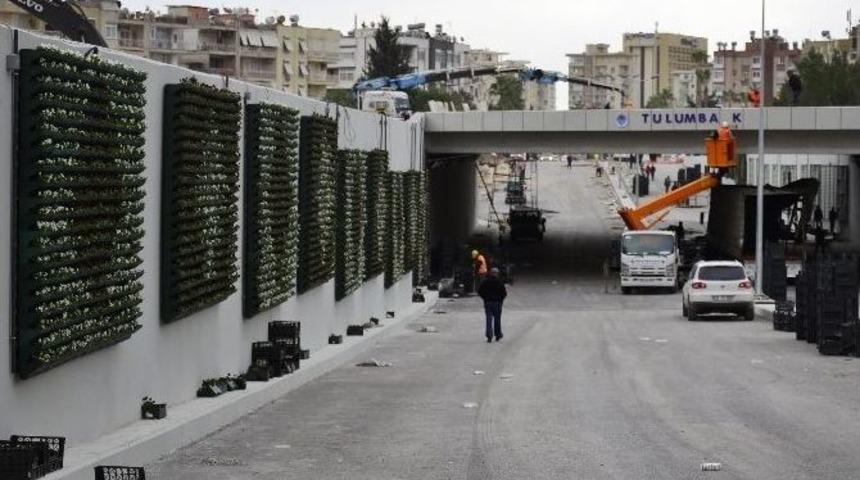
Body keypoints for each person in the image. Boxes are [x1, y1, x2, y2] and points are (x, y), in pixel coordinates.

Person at [478, 268, 507, 342]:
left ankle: (489, 336)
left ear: (490, 273)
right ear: (497, 274)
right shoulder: (499, 282)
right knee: (497, 320)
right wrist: (500, 300)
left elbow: (480, 291)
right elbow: (504, 293)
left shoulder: (485, 281)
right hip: (497, 303)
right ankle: (498, 335)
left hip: (488, 303)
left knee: (488, 319)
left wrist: (485, 298)